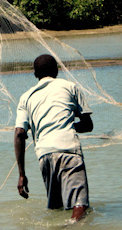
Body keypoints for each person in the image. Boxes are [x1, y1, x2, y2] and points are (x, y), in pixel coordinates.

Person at [14, 54, 93, 221]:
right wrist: (68, 125)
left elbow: (19, 133)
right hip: (68, 150)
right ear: (57, 70)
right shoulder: (70, 87)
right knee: (80, 206)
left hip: (44, 155)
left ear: (35, 74)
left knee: (56, 209)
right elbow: (88, 125)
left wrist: (21, 174)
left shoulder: (25, 97)